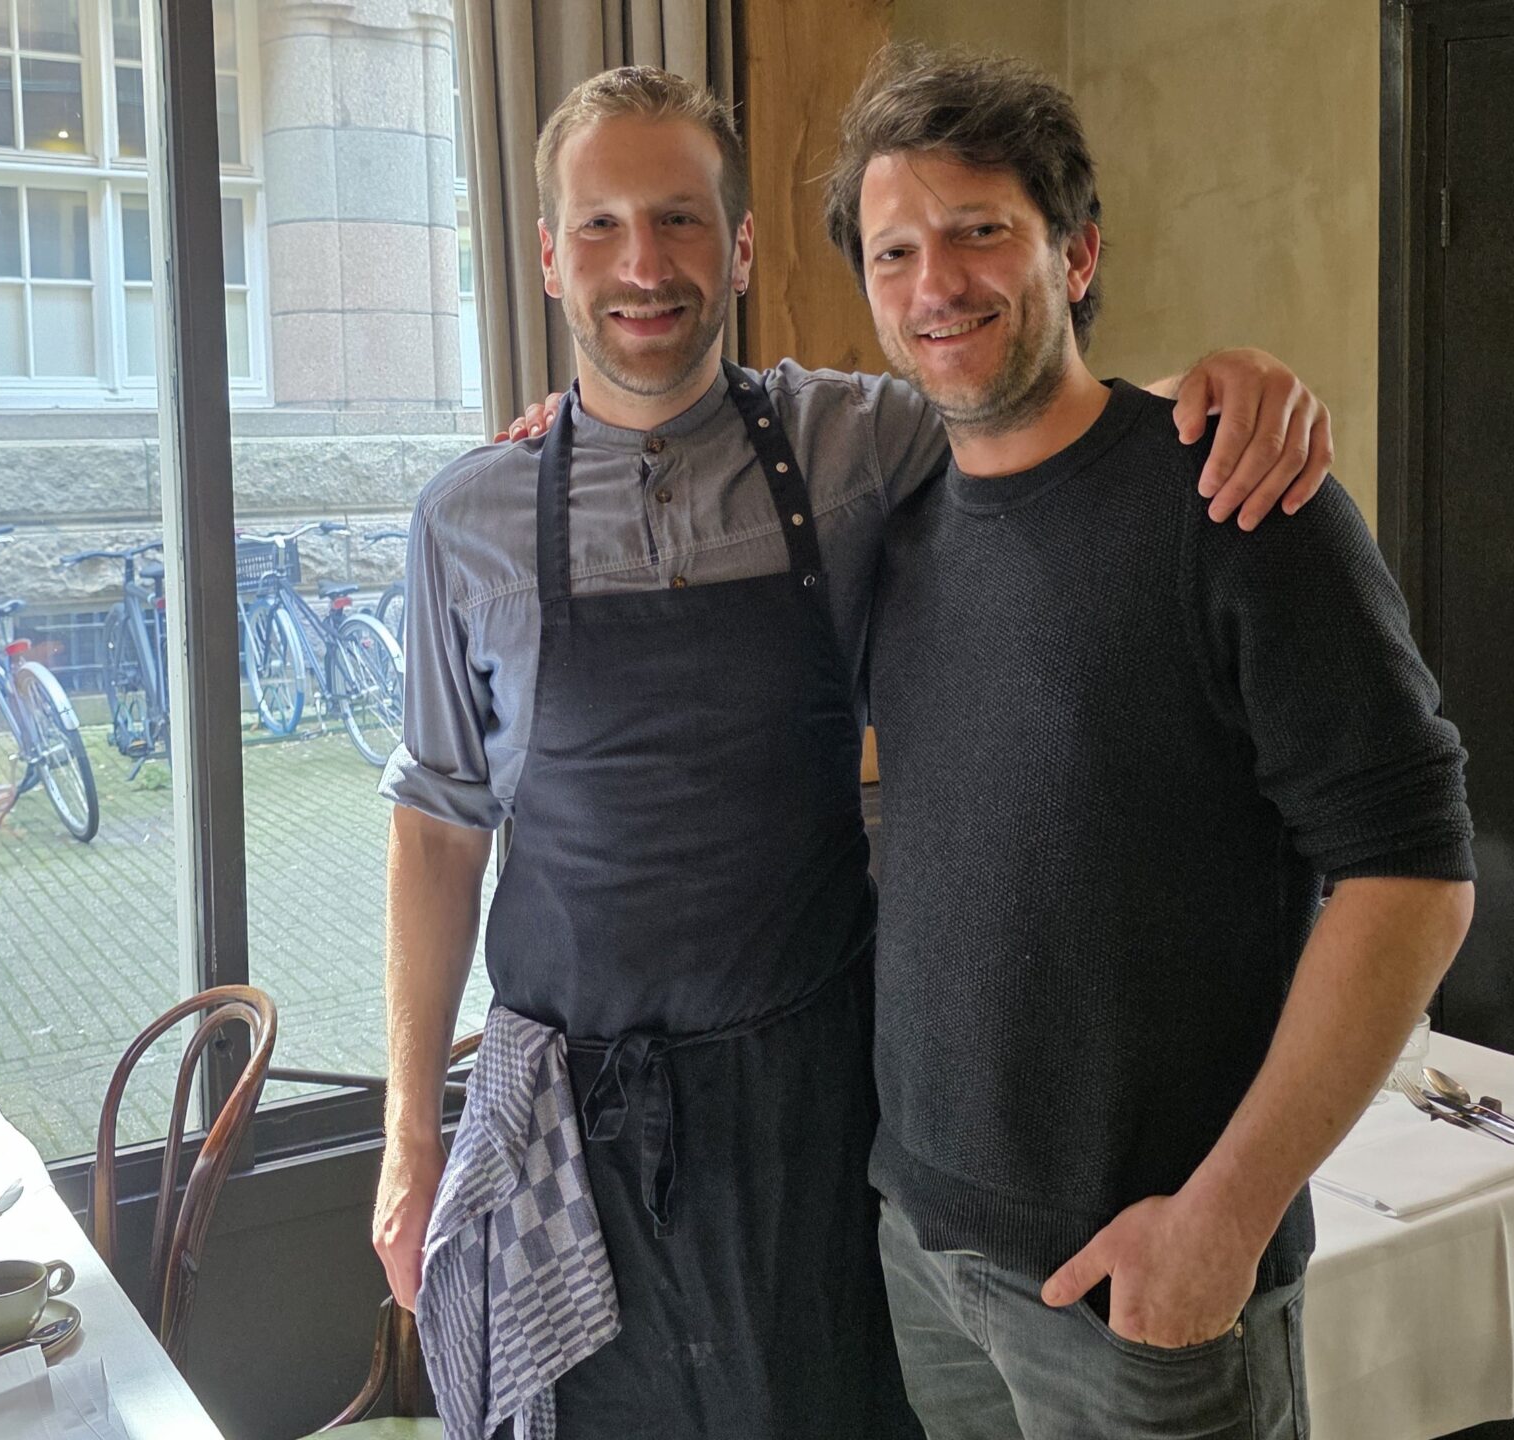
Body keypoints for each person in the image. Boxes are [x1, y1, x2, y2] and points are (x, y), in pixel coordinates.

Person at [374, 66, 1332, 1440]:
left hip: (817, 1106)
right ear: (545, 257)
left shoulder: (850, 442)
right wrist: (413, 1139)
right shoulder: (464, 518)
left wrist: (1219, 388)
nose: (644, 267)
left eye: (682, 221)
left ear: (744, 248)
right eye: (599, 228)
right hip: (567, 1124)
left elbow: (1033, 404)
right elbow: (436, 825)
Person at [829, 46, 1478, 1439]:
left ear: (1077, 252)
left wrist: (1222, 1224)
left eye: (979, 230)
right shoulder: (896, 536)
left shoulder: (1239, 498)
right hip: (926, 1253)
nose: (935, 283)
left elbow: (1414, 875)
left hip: (1148, 1294)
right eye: (894, 251)